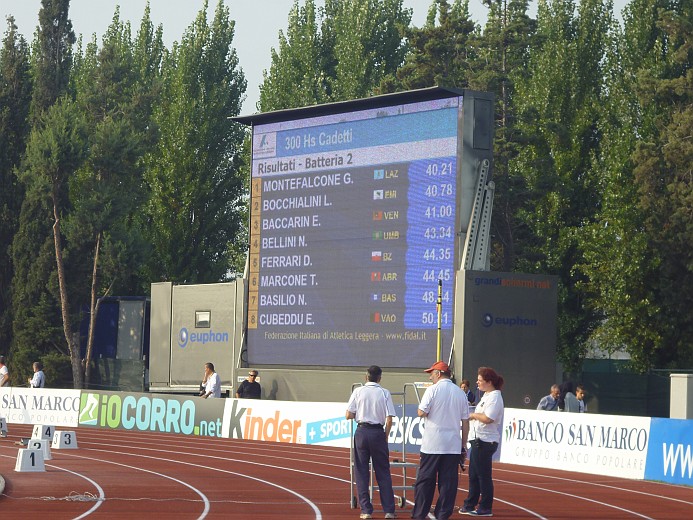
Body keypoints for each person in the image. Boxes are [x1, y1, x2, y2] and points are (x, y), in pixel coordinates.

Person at [412, 361, 470, 520]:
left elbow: (420, 412)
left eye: (432, 373)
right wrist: (463, 446)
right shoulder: (460, 393)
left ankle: (419, 514)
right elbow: (465, 422)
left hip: (432, 445)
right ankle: (443, 514)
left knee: (425, 482)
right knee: (448, 484)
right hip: (452, 446)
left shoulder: (432, 390)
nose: (430, 376)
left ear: (438, 373)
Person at [346, 365, 397, 520]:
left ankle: (366, 510)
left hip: (361, 431)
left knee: (361, 472)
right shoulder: (384, 392)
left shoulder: (358, 391)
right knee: (383, 472)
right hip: (377, 432)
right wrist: (385, 436)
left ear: (365, 377)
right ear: (379, 378)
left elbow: (348, 414)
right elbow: (389, 418)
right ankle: (388, 510)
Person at [460, 366, 504, 517]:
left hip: (485, 441)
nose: (477, 383)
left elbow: (488, 418)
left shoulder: (495, 397)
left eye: (480, 380)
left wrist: (473, 415)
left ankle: (485, 507)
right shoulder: (487, 396)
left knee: (483, 475)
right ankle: (470, 503)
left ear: (489, 382)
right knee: (474, 474)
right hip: (478, 440)